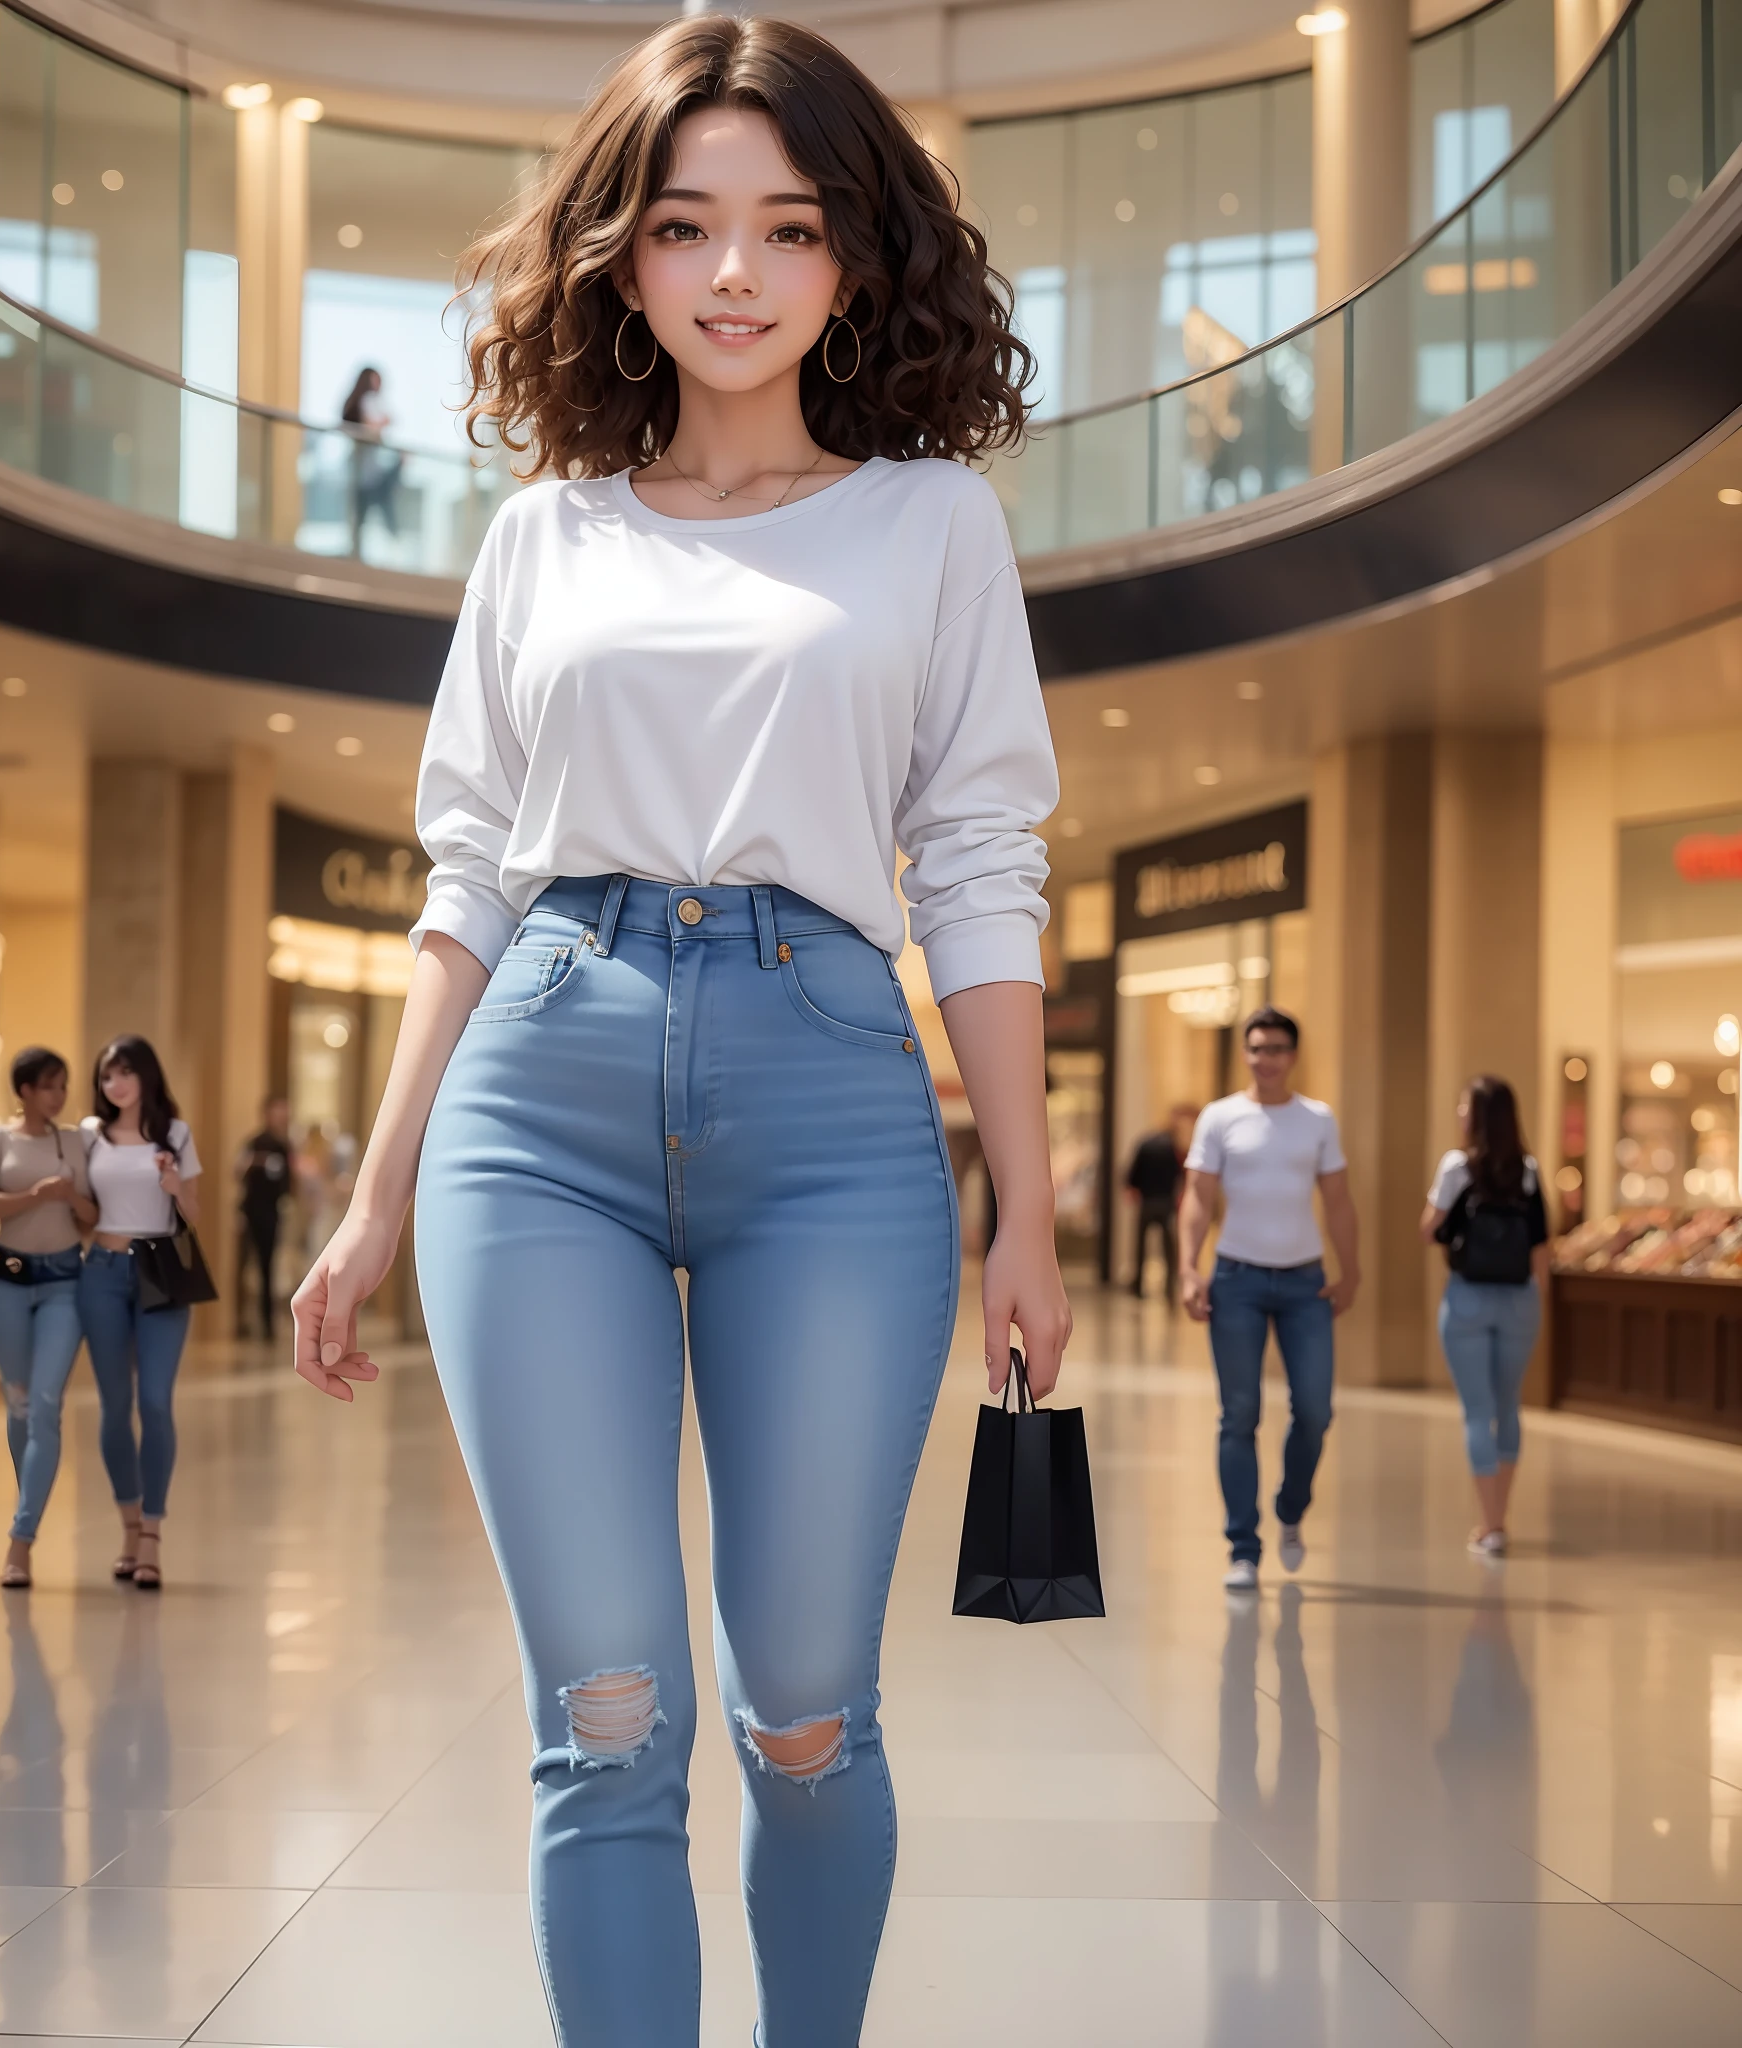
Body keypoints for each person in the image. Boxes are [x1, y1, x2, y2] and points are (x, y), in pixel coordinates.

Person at [289, 18, 1069, 2045]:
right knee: (605, 1715)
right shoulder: (546, 535)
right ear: (619, 261)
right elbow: (463, 880)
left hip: (831, 1102)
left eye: (787, 228)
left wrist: (1029, 1213)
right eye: (685, 226)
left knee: (804, 1711)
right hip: (534, 1097)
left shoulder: (927, 526)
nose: (735, 273)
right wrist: (371, 1205)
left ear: (854, 259)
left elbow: (979, 867)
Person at [1179, 1006, 1360, 1591]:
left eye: (1277, 1048)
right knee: (1240, 1415)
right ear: (1246, 1053)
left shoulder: (1317, 1120)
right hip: (1237, 1282)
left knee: (1314, 1409)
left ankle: (1290, 1506)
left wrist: (1350, 1269)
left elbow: (1337, 1201)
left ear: (1294, 1055)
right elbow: (1198, 1200)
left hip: (1306, 1283)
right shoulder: (1220, 1118)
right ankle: (1243, 1548)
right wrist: (1188, 1268)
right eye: (1257, 1048)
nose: (1267, 1059)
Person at [0, 1045, 96, 1589]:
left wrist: (69, 1198)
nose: (59, 1095)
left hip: (65, 1284)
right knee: (19, 1406)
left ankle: (21, 1541)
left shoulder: (76, 1142)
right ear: (24, 1090)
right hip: (8, 1284)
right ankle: (31, 1502)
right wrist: (34, 1194)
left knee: (46, 1405)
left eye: (63, 1085)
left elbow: (92, 1219)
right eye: (48, 1085)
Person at [78, 1034, 203, 1591]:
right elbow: (82, 1210)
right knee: (113, 1406)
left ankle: (152, 1532)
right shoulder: (88, 1136)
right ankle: (128, 1526)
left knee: (154, 1401)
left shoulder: (175, 1134)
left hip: (160, 1271)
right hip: (101, 1273)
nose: (116, 1084)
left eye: (125, 1072)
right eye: (107, 1076)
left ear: (147, 1076)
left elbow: (194, 1212)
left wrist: (175, 1186)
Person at [1421, 1075, 1549, 1558]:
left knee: (1476, 1411)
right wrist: (1539, 1300)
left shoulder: (1457, 1167)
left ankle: (1488, 1525)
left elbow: (1428, 1229)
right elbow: (1541, 1245)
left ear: (1475, 1117)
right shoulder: (1529, 1170)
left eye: (1462, 1107)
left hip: (1468, 1297)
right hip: (1519, 1299)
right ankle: (1501, 1517)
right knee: (1507, 1406)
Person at [234, 1094, 293, 1341]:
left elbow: (288, 1184)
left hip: (272, 1213)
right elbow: (238, 1172)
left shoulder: (284, 1146)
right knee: (244, 1267)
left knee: (268, 1268)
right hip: (250, 1212)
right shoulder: (254, 1143)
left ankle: (268, 1325)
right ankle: (242, 1322)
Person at [1124, 1103, 1195, 1298]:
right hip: (1165, 1201)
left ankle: (1138, 1286)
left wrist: (1133, 1189)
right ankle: (1170, 1287)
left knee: (1139, 1246)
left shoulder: (1146, 1143)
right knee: (1168, 1247)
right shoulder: (1175, 1149)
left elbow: (1132, 1173)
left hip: (1147, 1201)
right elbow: (1182, 1175)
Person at [343, 366, 403, 554]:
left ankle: (358, 552)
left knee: (361, 516)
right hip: (365, 471)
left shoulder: (362, 402)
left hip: (366, 470)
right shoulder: (367, 401)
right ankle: (388, 545)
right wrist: (381, 423)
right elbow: (376, 426)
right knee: (368, 512)